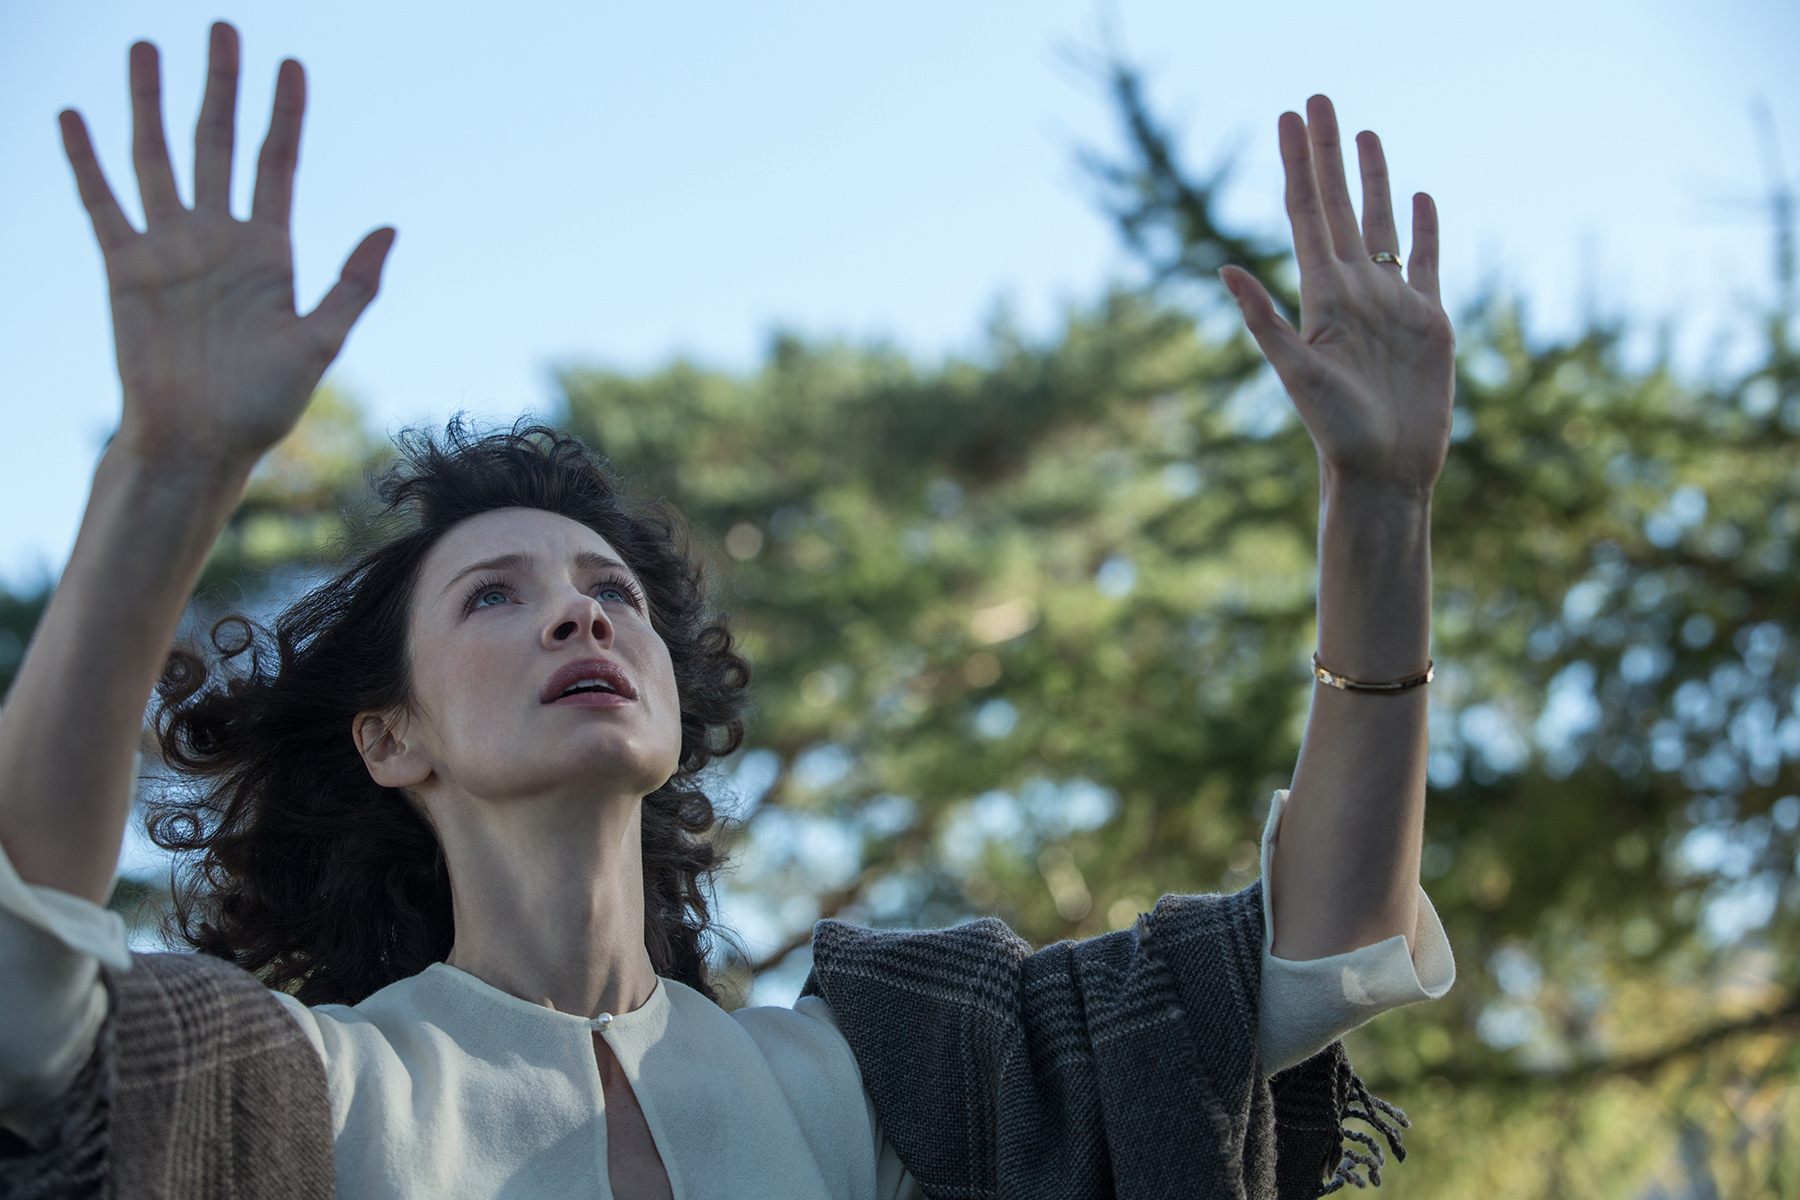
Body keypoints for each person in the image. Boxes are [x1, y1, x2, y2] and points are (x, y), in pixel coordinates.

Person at [0, 22, 1455, 1200]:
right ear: (392, 739)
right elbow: (29, 989)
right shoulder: (313, 1094)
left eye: (611, 593)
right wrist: (169, 469)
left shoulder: (869, 1080)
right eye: (496, 595)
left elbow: (1315, 952)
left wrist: (1382, 508)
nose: (579, 619)